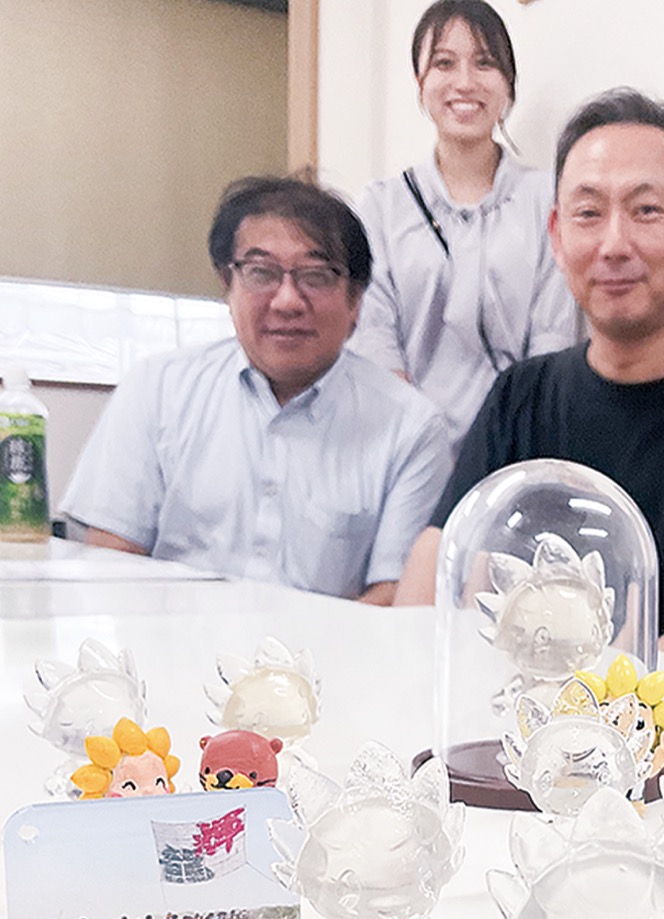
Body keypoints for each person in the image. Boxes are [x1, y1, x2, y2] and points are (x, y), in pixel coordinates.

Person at [396, 88, 664, 668]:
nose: (614, 244)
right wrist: (412, 668)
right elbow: (438, 566)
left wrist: (571, 701)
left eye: (646, 210)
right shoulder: (518, 395)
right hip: (500, 711)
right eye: (588, 214)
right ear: (557, 237)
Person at [61, 174, 451, 604]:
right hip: (171, 641)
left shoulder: (411, 427)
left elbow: (396, 594)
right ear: (227, 283)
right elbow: (113, 556)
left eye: (316, 276)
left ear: (356, 300)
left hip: (327, 648)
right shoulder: (157, 389)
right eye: (261, 273)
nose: (287, 301)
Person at [352, 0, 577, 449]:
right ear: (420, 83)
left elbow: (554, 336)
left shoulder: (549, 199)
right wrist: (421, 444)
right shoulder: (381, 205)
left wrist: (509, 444)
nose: (465, 82)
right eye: (444, 63)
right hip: (406, 445)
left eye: (484, 63)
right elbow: (374, 335)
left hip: (518, 444)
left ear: (508, 82)